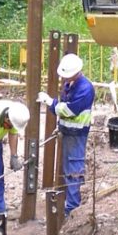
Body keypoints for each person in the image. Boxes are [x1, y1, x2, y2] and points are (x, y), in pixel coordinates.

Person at [37, 53, 95, 218]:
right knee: (69, 168)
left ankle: (72, 207)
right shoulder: (71, 84)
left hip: (77, 134)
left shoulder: (85, 88)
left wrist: (50, 102)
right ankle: (70, 203)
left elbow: (69, 110)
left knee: (74, 169)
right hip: (68, 132)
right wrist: (60, 127)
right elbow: (65, 109)